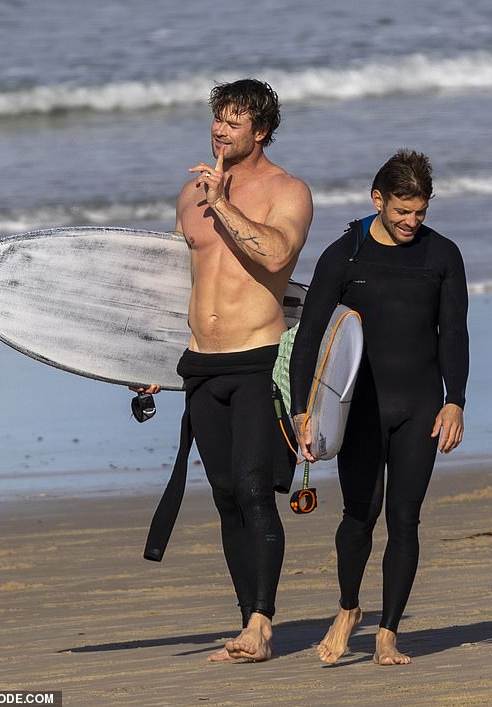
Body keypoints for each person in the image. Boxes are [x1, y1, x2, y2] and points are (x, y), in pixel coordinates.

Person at [136, 79, 313, 662]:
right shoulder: (189, 193)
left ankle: (263, 624)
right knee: (226, 496)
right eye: (217, 118)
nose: (220, 130)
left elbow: (277, 255)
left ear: (260, 131)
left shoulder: (289, 191)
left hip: (257, 361)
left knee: (257, 490)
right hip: (201, 367)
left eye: (234, 121)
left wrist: (224, 205)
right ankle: (248, 622)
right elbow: (174, 286)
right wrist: (151, 360)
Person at [289, 149, 469, 666]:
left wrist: (454, 400)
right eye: (401, 212)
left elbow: (453, 332)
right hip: (362, 408)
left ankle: (388, 632)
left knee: (406, 519)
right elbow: (310, 338)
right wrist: (305, 409)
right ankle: (348, 609)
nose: (411, 222)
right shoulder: (344, 255)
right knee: (358, 516)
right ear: (378, 199)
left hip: (419, 405)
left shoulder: (443, 256)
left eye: (420, 212)